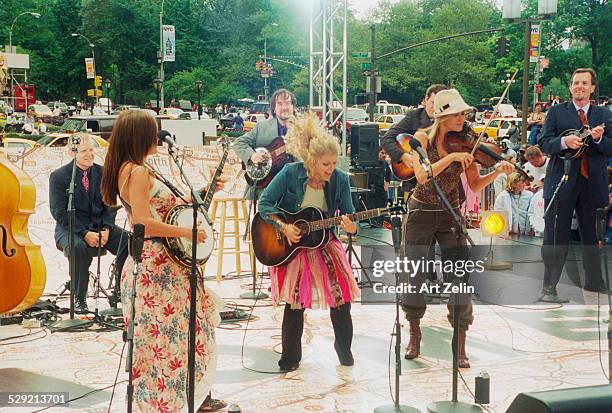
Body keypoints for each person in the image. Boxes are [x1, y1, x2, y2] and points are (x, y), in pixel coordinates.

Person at [100, 110, 226, 412]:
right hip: (159, 268)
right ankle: (181, 399)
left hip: (151, 266)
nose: (158, 136)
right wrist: (186, 231)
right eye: (153, 131)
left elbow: (165, 207)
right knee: (179, 337)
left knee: (163, 343)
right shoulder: (139, 172)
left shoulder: (128, 168)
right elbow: (143, 222)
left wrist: (206, 190)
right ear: (140, 136)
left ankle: (180, 398)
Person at [397, 89, 514, 367]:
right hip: (421, 212)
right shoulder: (422, 139)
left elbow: (474, 185)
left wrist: (497, 172)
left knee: (460, 278)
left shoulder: (466, 144)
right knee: (414, 274)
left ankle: (459, 344)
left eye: (463, 113)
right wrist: (450, 159)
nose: (463, 118)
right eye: (457, 114)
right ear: (442, 115)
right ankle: (414, 334)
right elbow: (423, 176)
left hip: (450, 213)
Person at [257, 112, 360, 372]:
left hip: (325, 242)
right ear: (311, 161)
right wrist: (285, 227)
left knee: (341, 300)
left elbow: (348, 214)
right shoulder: (291, 173)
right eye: (326, 164)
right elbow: (265, 203)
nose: (331, 169)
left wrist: (351, 226)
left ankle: (344, 350)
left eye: (334, 163)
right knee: (295, 303)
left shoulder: (340, 180)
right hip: (294, 245)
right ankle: (290, 359)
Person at [538, 68, 612, 303]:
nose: (579, 86)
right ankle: (549, 287)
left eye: (584, 83)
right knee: (556, 235)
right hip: (563, 180)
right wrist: (564, 142)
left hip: (593, 184)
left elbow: (610, 147)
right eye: (575, 83)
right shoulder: (557, 112)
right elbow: (544, 143)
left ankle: (594, 281)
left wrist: (599, 138)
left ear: (592, 88)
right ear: (570, 87)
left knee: (593, 235)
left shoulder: (604, 114)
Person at [49, 134, 129, 313]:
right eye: (84, 151)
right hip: (71, 228)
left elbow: (110, 205)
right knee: (77, 247)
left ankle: (119, 290)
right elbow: (59, 212)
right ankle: (79, 297)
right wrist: (85, 233)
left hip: (101, 225)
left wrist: (107, 229)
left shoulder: (103, 173)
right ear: (72, 152)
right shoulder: (59, 177)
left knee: (128, 241)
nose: (89, 154)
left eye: (91, 150)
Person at [381, 84, 449, 199]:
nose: (436, 108)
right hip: (416, 183)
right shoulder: (414, 117)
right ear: (426, 100)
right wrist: (402, 156)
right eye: (433, 103)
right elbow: (386, 139)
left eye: (440, 105)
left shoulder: (450, 120)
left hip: (445, 182)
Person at [233, 88, 296, 199]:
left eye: (288, 103)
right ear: (274, 108)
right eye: (280, 104)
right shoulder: (262, 127)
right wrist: (252, 155)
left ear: (293, 107)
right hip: (264, 188)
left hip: (293, 189)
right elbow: (239, 143)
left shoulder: (304, 128)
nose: (284, 107)